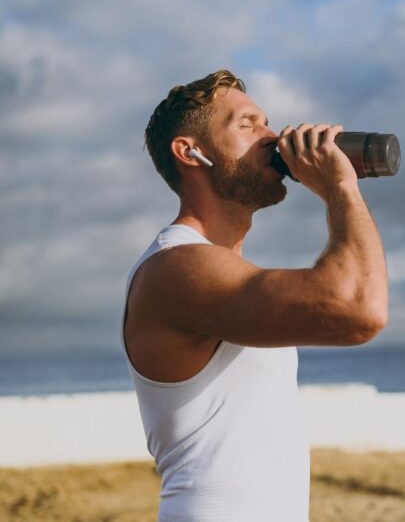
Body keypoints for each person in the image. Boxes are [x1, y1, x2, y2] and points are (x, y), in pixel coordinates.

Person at [121, 69, 388, 521]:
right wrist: (340, 187)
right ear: (191, 152)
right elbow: (358, 307)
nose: (273, 138)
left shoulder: (223, 274)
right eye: (247, 124)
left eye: (267, 123)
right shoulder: (176, 268)